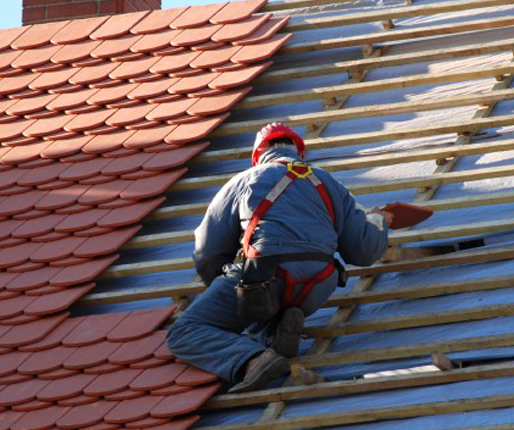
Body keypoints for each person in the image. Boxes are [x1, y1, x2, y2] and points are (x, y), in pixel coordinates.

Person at [167, 122, 391, 393]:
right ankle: (275, 335)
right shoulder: (330, 184)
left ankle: (254, 359)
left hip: (266, 275)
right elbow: (364, 251)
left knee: (185, 331)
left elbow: (206, 252)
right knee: (263, 306)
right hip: (318, 284)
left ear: (257, 156)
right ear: (300, 153)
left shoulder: (244, 180)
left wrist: (226, 291)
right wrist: (379, 219)